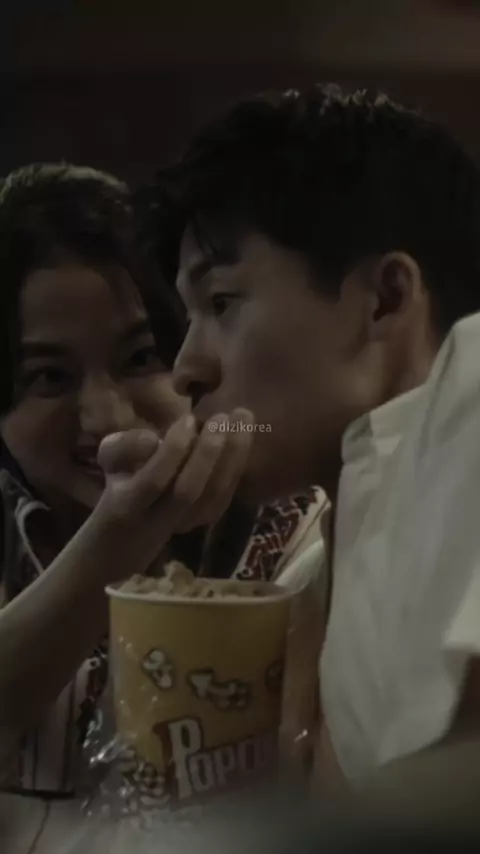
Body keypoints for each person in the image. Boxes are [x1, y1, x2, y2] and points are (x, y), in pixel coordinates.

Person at [144, 83, 480, 794]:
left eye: (222, 302)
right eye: (188, 316)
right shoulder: (303, 577)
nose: (186, 368)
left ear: (385, 299)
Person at [0, 163, 323, 812]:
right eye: (49, 378)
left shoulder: (298, 525)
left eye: (140, 358)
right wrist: (119, 536)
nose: (107, 419)